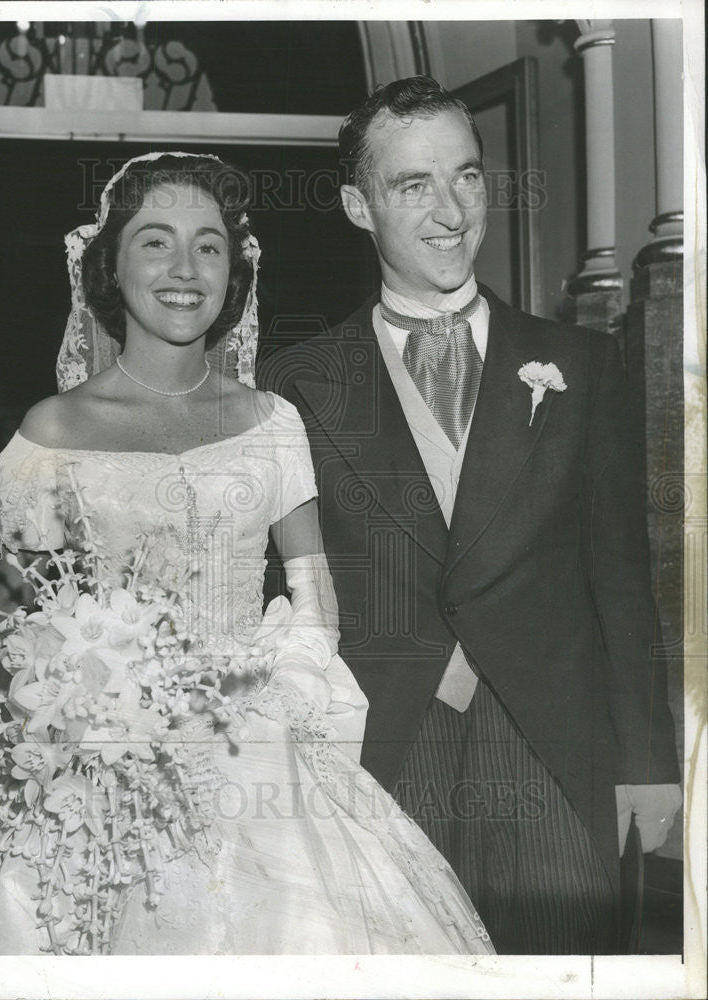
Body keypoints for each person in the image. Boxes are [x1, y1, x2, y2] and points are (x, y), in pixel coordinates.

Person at [0, 152, 494, 956]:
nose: (186, 270)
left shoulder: (271, 422)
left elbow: (310, 596)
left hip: (250, 751)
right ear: (110, 269)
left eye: (209, 246)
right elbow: (11, 629)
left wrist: (274, 690)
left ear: (235, 270)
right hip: (85, 768)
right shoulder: (50, 430)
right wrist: (76, 708)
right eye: (155, 243)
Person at [263, 77, 682, 954]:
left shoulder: (580, 364)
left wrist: (651, 784)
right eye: (412, 185)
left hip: (552, 761)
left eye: (466, 177)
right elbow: (289, 606)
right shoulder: (298, 386)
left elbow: (622, 588)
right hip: (380, 763)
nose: (449, 210)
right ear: (355, 205)